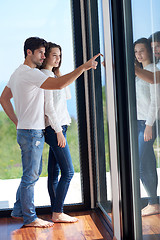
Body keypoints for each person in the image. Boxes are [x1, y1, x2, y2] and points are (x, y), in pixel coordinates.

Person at [0, 37, 101, 228]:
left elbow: (4, 98)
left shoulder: (17, 72)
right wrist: (84, 68)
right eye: (41, 52)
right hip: (32, 132)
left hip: (27, 129)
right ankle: (30, 218)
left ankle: (19, 210)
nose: (43, 56)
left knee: (31, 174)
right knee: (31, 176)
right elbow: (59, 85)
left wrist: (17, 121)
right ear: (28, 52)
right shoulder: (32, 74)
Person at [40, 42, 77, 223]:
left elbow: (67, 95)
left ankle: (56, 212)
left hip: (60, 127)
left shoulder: (53, 75)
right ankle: (58, 212)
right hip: (55, 128)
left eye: (60, 56)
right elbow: (49, 108)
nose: (58, 59)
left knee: (54, 172)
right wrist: (58, 131)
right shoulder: (44, 77)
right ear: (45, 56)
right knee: (68, 172)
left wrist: (59, 75)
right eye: (54, 55)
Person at [134, 38, 160, 216]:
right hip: (139, 123)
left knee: (140, 162)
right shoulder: (142, 72)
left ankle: (153, 202)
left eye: (142, 50)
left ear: (150, 52)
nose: (138, 54)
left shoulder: (153, 71)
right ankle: (154, 203)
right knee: (148, 162)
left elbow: (155, 103)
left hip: (147, 124)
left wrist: (149, 125)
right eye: (136, 51)